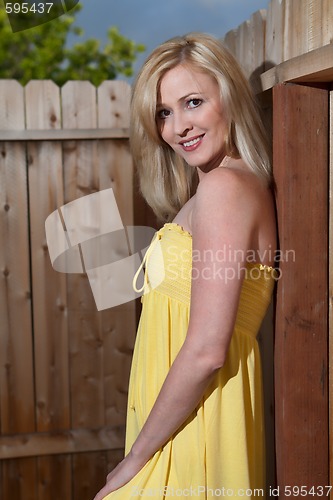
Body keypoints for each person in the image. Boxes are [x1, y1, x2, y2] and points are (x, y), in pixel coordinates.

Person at [94, 32, 277, 500]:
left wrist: (136, 458)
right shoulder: (212, 190)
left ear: (229, 99)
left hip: (194, 432)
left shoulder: (225, 191)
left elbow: (207, 351)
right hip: (176, 423)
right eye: (163, 113)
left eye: (193, 101)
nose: (178, 127)